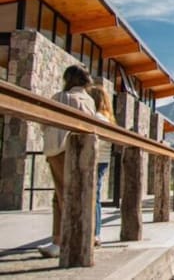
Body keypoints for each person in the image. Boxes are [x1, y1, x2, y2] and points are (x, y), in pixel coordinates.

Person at [38, 65, 96, 258]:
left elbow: (45, 122)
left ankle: (63, 241)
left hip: (60, 149)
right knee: (74, 194)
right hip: (82, 152)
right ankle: (71, 238)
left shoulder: (62, 97)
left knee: (62, 195)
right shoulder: (89, 101)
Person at [87, 85, 115, 247]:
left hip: (94, 159)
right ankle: (95, 232)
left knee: (92, 196)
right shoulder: (106, 118)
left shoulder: (95, 117)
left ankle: (94, 233)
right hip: (102, 159)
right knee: (95, 195)